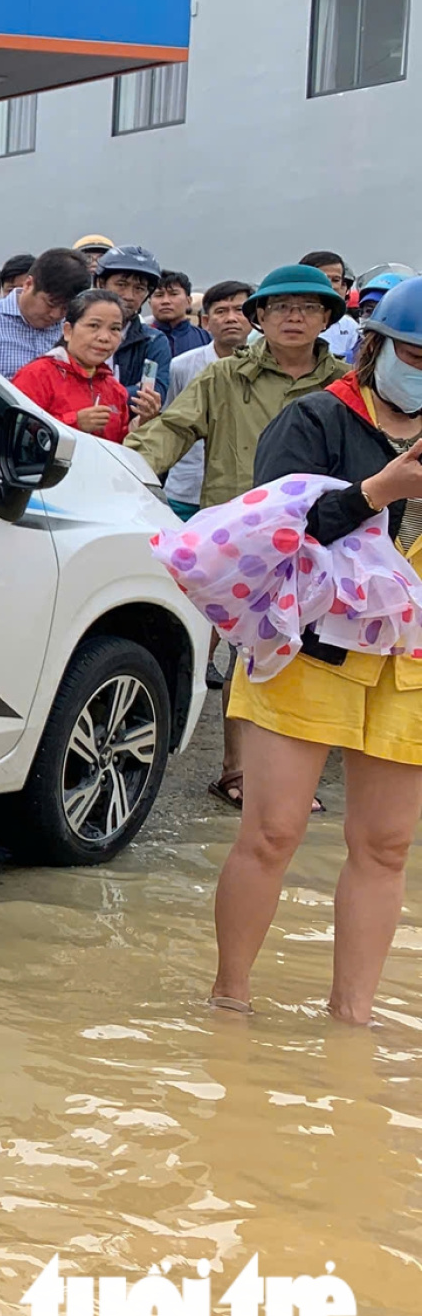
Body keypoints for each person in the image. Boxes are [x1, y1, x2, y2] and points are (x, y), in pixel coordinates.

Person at [209, 276, 422, 1023]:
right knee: (273, 831)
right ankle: (229, 1001)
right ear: (374, 347)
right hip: (309, 649)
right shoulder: (315, 419)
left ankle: (352, 1020)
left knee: (386, 845)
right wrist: (375, 492)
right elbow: (270, 537)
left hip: (408, 661)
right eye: (414, 356)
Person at [135, 263, 349, 810]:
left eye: (309, 307)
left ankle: (290, 777)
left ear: (327, 317)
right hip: (242, 541)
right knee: (247, 655)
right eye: (280, 307)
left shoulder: (349, 384)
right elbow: (173, 429)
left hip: (327, 537)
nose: (294, 317)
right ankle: (238, 771)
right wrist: (121, 470)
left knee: (312, 660)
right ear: (260, 317)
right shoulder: (225, 378)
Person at [160, 279, 254, 522]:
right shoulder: (181, 365)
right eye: (221, 311)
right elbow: (170, 421)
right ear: (205, 321)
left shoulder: (263, 368)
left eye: (239, 310)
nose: (231, 318)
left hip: (242, 491)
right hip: (186, 487)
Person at [0, 246, 90, 378]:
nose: (55, 315)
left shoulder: (73, 331)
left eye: (65, 308)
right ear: (28, 284)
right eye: (50, 303)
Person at [12, 289, 137, 442]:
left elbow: (119, 445)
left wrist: (141, 425)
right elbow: (16, 432)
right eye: (94, 325)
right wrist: (75, 423)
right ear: (68, 331)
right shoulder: (37, 374)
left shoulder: (115, 389)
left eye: (115, 329)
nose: (104, 337)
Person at [91, 243, 173, 407]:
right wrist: (131, 391)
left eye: (139, 288)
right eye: (121, 284)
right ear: (101, 283)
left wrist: (99, 397)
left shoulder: (153, 341)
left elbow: (152, 393)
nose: (129, 296)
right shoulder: (75, 331)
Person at [303, 250, 361, 360]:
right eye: (324, 278)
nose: (331, 286)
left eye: (336, 280)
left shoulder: (349, 325)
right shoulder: (288, 317)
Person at [150, 270, 208, 355]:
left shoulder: (205, 339)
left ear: (188, 301)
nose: (165, 301)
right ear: (150, 302)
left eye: (173, 294)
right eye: (159, 295)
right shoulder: (140, 339)